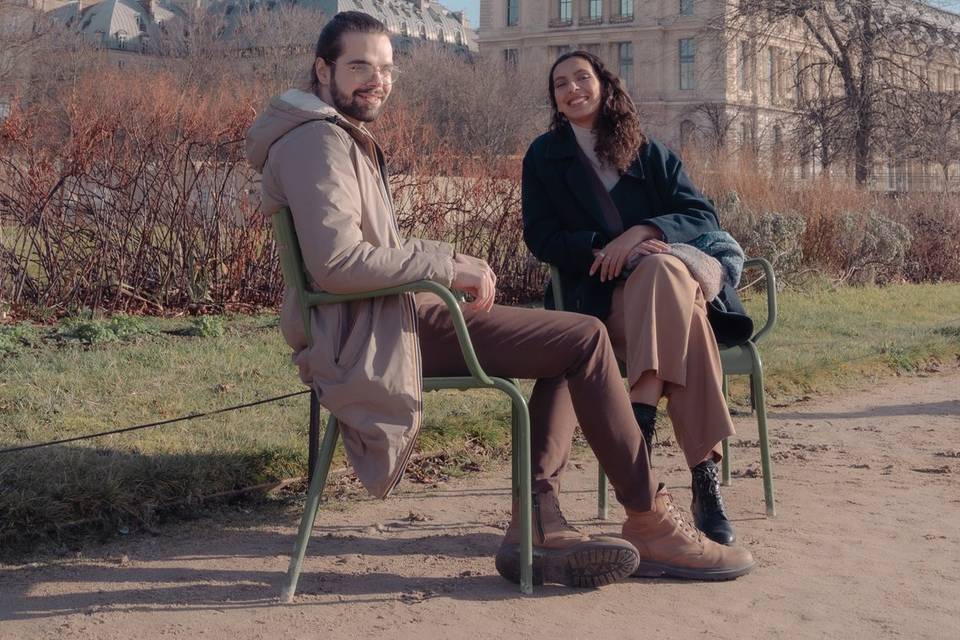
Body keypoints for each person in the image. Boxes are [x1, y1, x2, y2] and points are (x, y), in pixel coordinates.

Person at [245, 12, 754, 587]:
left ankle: (539, 520)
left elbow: (351, 258)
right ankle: (648, 519)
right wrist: (448, 263)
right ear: (323, 67)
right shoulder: (319, 141)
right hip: (371, 331)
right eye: (360, 65)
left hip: (386, 313)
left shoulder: (328, 133)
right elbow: (338, 265)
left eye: (387, 67)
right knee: (583, 337)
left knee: (567, 335)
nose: (377, 80)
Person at [521, 51, 755, 545]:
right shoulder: (544, 156)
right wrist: (603, 248)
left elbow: (701, 215)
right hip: (600, 303)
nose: (571, 89)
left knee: (661, 267)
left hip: (658, 302)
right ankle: (704, 481)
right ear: (555, 99)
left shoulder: (647, 151)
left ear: (604, 85)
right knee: (680, 305)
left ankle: (642, 422)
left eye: (581, 78)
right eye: (560, 84)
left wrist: (643, 232)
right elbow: (540, 236)